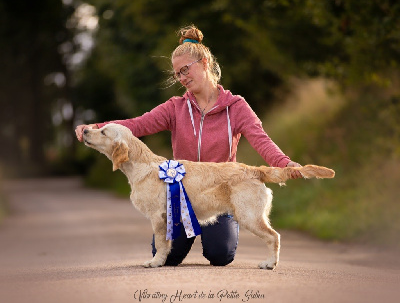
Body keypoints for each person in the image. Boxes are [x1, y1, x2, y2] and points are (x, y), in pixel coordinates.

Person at [75, 25, 302, 267]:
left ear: (204, 63)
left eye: (185, 70)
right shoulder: (174, 107)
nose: (182, 78)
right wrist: (96, 128)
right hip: (179, 197)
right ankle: (181, 237)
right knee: (168, 257)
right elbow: (136, 126)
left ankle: (219, 231)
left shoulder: (236, 106)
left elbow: (261, 139)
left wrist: (284, 163)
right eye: (177, 74)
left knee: (220, 254)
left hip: (220, 190)